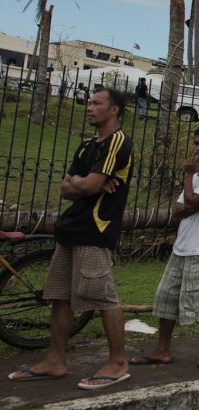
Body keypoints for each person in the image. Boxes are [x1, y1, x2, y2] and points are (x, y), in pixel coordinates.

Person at [9, 88, 133, 389]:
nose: (89, 108)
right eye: (89, 103)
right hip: (71, 228)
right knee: (59, 297)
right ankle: (56, 360)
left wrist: (87, 184)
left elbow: (89, 185)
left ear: (113, 110)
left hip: (96, 230)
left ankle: (118, 362)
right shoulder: (86, 146)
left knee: (103, 297)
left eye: (96, 103)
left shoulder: (119, 141)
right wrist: (86, 184)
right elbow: (67, 187)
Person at [135, 125, 199, 369]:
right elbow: (179, 211)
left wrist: (189, 180)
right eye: (197, 143)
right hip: (182, 246)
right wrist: (196, 203)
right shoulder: (198, 178)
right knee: (166, 297)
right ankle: (162, 349)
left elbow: (188, 202)